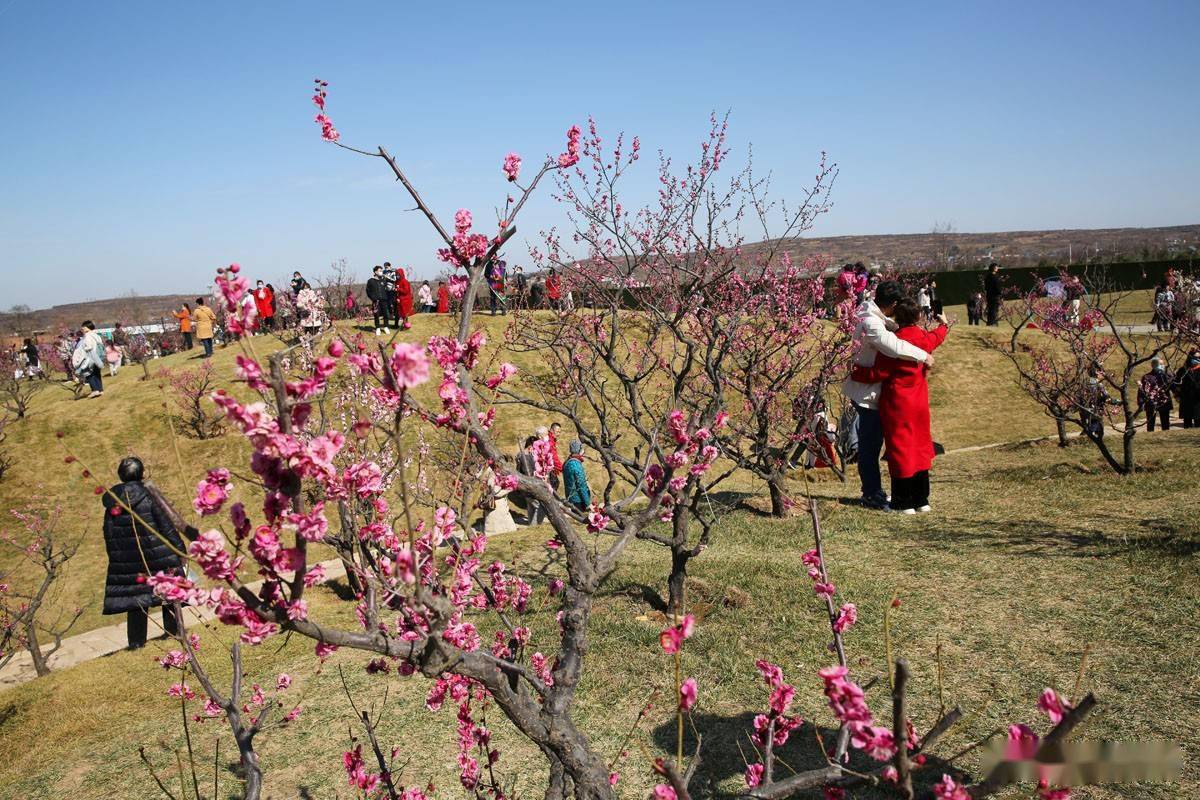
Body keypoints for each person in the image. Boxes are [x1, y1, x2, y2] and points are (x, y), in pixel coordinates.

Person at [842, 281, 932, 509]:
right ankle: (871, 493)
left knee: (877, 444)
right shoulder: (870, 321)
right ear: (891, 304)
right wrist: (923, 355)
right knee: (870, 446)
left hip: (875, 389)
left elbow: (890, 331)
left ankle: (876, 491)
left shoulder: (871, 315)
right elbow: (890, 345)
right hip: (868, 394)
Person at [851, 301, 948, 514]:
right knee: (921, 446)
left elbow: (878, 373)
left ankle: (903, 502)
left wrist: (854, 372)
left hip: (897, 403)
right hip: (920, 401)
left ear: (895, 317)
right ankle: (921, 499)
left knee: (900, 449)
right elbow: (937, 337)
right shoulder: (924, 337)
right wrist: (944, 325)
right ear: (919, 317)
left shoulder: (896, 342)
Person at [101, 457, 192, 650]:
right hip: (160, 554)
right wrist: (180, 550)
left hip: (128, 559)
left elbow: (108, 534)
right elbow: (166, 527)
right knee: (169, 593)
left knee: (135, 600)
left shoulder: (113, 504)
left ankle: (136, 643)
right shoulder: (149, 496)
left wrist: (115, 556)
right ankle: (173, 632)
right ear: (142, 473)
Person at [515, 436, 546, 525]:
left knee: (531, 507)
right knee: (540, 506)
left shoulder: (524, 456)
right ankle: (535, 526)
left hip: (525, 487)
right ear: (530, 447)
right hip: (529, 486)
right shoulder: (525, 457)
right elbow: (528, 473)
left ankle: (531, 525)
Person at [72, 321, 107, 398]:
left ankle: (95, 390)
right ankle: (100, 390)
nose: (82, 329)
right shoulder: (97, 335)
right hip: (98, 357)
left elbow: (88, 347)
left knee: (88, 373)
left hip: (90, 356)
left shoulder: (87, 336)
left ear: (88, 327)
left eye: (83, 327)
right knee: (97, 373)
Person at [1138, 357, 1174, 432]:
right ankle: (1150, 435)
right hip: (1151, 402)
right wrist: (1141, 402)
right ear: (1154, 366)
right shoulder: (1147, 377)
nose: (1162, 366)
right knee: (1150, 423)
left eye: (1163, 364)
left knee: (1165, 423)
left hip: (1164, 401)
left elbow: (1173, 386)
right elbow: (1142, 390)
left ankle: (1166, 435)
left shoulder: (1167, 375)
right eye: (1160, 364)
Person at [562, 440, 591, 511]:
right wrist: (587, 503)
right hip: (578, 499)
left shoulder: (568, 462)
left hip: (571, 497)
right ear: (579, 450)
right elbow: (581, 485)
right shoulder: (575, 464)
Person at [1175, 350, 1200, 428]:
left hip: (1198, 399)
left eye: (1199, 357)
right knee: (1187, 420)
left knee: (1198, 420)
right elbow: (1177, 383)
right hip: (1186, 398)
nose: (1198, 359)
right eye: (1195, 357)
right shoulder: (1183, 370)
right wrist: (1177, 395)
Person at [367, 266, 390, 335]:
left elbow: (387, 290)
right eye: (380, 271)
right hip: (376, 301)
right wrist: (373, 298)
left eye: (381, 271)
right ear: (375, 272)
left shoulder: (383, 280)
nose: (381, 272)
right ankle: (377, 328)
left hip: (384, 300)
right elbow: (368, 291)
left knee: (386, 314)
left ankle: (386, 327)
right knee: (376, 314)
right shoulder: (371, 281)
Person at [382, 263, 399, 328]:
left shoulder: (393, 272)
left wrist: (387, 277)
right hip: (385, 289)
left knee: (393, 302)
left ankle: (394, 314)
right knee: (387, 303)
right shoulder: (383, 272)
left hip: (391, 289)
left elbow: (394, 279)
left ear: (389, 266)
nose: (386, 268)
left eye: (387, 267)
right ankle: (389, 314)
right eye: (385, 267)